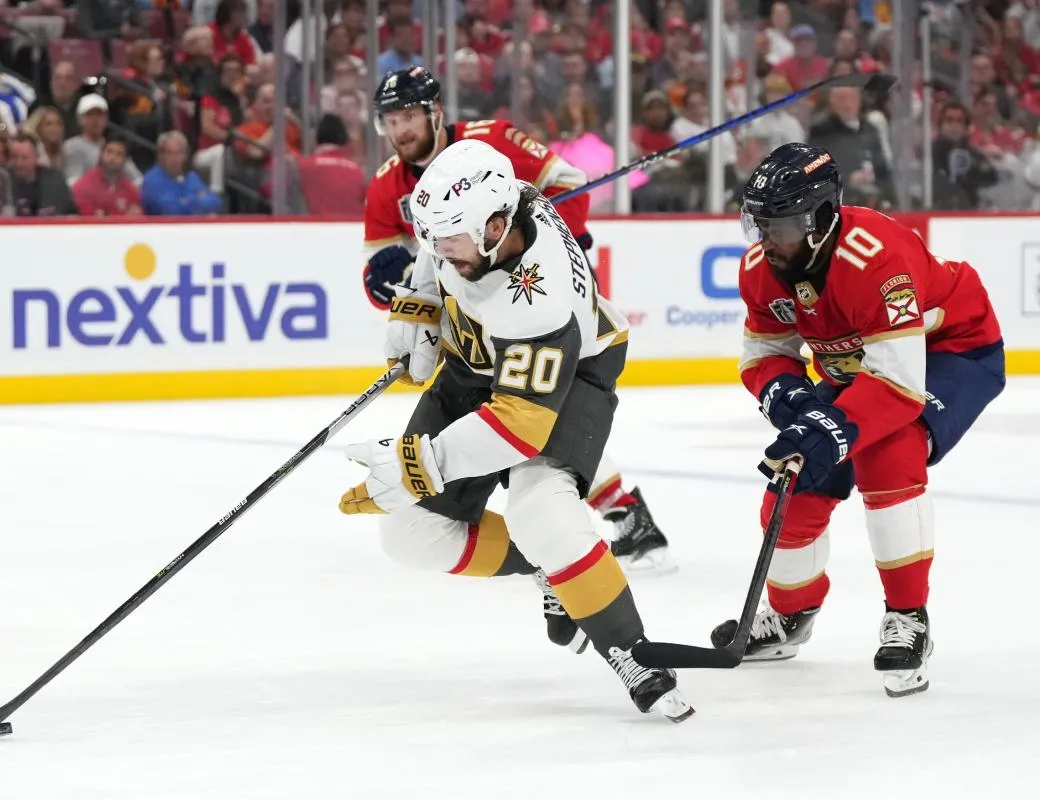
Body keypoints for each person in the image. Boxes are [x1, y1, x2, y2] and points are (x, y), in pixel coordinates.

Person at [339, 139, 694, 723]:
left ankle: (631, 649)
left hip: (574, 369)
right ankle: (548, 567)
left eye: (451, 242)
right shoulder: (492, 211)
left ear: (497, 228)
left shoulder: (538, 299)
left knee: (540, 511)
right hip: (477, 362)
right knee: (409, 532)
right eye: (437, 239)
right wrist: (422, 303)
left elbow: (520, 424)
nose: (438, 250)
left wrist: (422, 462)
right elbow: (433, 248)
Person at [712, 143, 1005, 697]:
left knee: (887, 452)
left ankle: (909, 617)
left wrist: (832, 425)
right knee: (794, 478)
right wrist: (789, 396)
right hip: (862, 366)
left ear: (819, 219)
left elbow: (897, 384)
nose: (765, 239)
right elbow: (763, 354)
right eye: (758, 223)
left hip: (951, 351)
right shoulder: (761, 269)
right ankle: (790, 616)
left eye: (779, 226)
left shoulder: (877, 259)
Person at [361, 65, 673, 573]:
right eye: (390, 121)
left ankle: (617, 515)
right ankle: (593, 527)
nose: (400, 131)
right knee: (516, 424)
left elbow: (567, 183)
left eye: (409, 116)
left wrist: (547, 243)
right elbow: (381, 278)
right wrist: (397, 291)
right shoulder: (383, 188)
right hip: (467, 320)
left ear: (435, 112)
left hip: (529, 296)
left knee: (535, 419)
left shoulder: (493, 140)